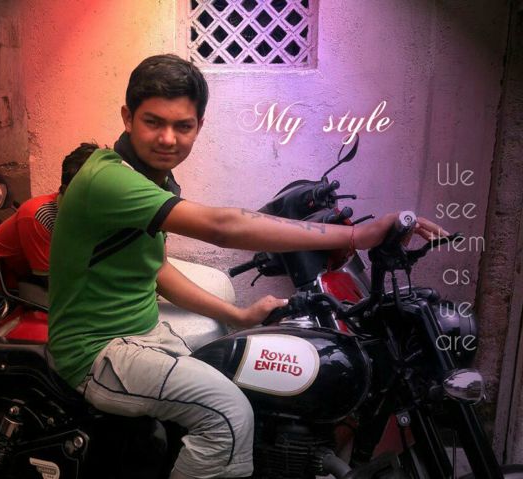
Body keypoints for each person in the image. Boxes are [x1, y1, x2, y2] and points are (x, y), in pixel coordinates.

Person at [48, 54, 447, 479]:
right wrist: (357, 236)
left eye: (183, 126)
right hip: (97, 351)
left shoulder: (153, 177)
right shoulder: (110, 179)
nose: (168, 138)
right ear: (127, 118)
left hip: (145, 335)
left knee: (248, 386)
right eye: (153, 122)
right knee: (229, 415)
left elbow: (156, 270)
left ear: (199, 126)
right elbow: (223, 226)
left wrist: (237, 316)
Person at [0, 143, 97, 332]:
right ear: (67, 189)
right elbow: (54, 283)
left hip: (20, 277)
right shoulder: (39, 216)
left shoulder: (85, 212)